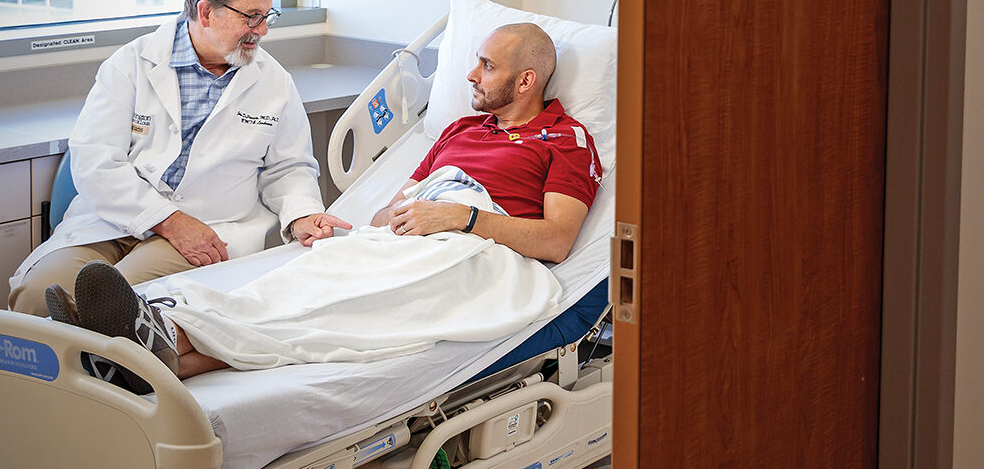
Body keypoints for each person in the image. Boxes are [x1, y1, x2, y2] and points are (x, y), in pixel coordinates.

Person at [49, 22, 603, 392]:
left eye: (485, 66)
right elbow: (392, 209)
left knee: (339, 307)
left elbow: (555, 241)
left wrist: (460, 217)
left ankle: (154, 337)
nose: (470, 75)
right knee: (305, 286)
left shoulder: (566, 140)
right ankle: (159, 350)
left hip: (480, 258)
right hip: (408, 242)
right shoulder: (459, 128)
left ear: (526, 80)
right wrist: (395, 220)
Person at [7, 0, 351, 316]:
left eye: (267, 17)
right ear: (205, 12)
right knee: (37, 295)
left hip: (207, 227)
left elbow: (289, 167)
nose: (262, 30)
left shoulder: (273, 81)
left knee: (114, 301)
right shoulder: (131, 64)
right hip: (113, 220)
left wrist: (301, 214)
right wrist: (168, 220)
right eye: (251, 17)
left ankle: (91, 370)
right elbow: (95, 160)